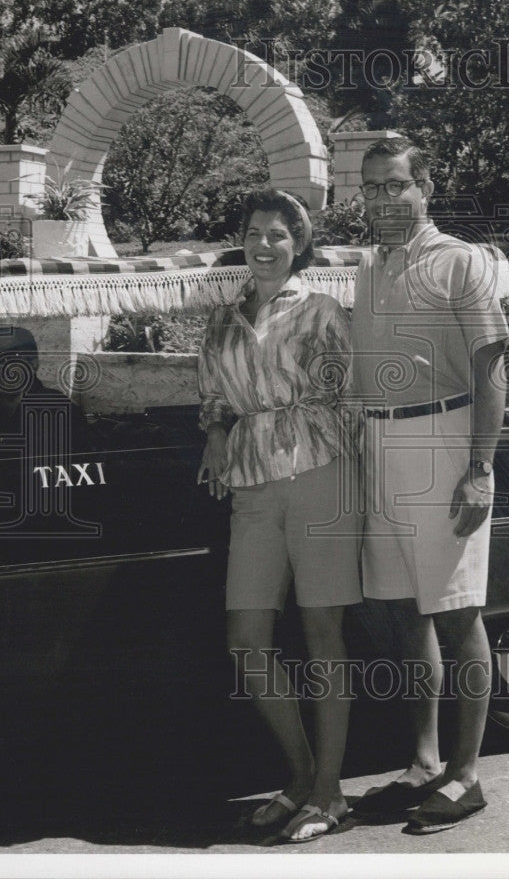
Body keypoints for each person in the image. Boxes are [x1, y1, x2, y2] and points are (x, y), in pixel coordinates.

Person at [350, 136, 509, 834]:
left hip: (443, 441)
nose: (382, 200)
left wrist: (479, 470)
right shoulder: (368, 267)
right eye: (371, 188)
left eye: (394, 186)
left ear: (425, 188)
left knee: (454, 611)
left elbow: (491, 375)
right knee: (403, 613)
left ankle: (465, 776)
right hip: (379, 440)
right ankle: (421, 763)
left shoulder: (460, 262)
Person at [196, 188, 361, 843]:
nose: (263, 244)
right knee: (246, 640)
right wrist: (215, 435)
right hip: (252, 485)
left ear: (297, 245)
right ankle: (299, 776)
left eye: (277, 234)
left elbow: (349, 394)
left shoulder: (320, 310)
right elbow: (212, 396)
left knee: (322, 637)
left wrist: (351, 477)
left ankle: (329, 794)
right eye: (253, 232)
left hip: (320, 474)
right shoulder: (222, 320)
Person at [0, 326, 87, 441]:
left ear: (33, 364)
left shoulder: (56, 412)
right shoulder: (4, 415)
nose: (0, 365)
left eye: (11, 356)